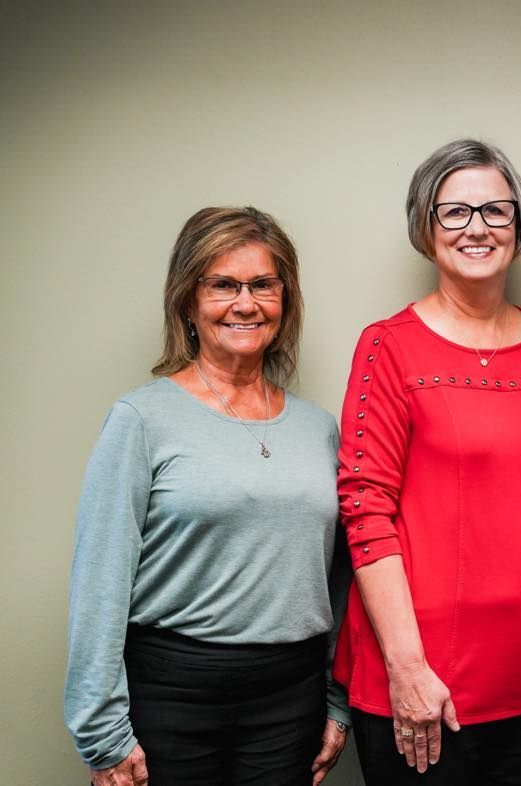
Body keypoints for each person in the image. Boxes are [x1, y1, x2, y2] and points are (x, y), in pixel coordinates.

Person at [64, 206, 352, 786]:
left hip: (290, 700)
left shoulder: (318, 428)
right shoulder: (141, 419)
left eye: (263, 285)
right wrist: (101, 734)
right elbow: (99, 580)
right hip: (171, 698)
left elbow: (340, 581)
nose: (245, 304)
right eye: (223, 284)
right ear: (188, 301)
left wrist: (337, 701)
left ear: (284, 300)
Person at [332, 139, 521, 785]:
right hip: (421, 682)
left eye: (496, 211)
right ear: (425, 227)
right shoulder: (389, 347)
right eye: (454, 212)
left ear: (519, 226)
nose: (477, 228)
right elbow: (364, 510)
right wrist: (407, 669)